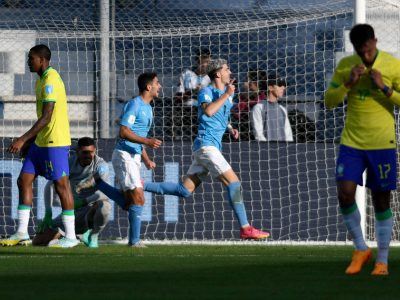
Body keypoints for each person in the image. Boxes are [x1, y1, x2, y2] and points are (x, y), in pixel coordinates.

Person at [78, 59, 270, 240]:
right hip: (206, 146)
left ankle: (142, 185)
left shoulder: (228, 95)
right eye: (227, 69)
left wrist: (230, 128)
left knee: (184, 190)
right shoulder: (206, 91)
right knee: (234, 183)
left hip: (209, 147)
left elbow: (220, 115)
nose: (230, 72)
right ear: (218, 73)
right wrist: (227, 94)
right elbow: (209, 111)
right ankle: (245, 228)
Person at [325, 24, 400, 276]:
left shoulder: (392, 65)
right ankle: (360, 248)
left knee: (381, 200)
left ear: (375, 42)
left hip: (381, 143)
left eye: (368, 50)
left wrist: (384, 87)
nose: (366, 56)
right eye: (361, 51)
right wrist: (347, 84)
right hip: (352, 143)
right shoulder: (347, 65)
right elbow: (328, 101)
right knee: (345, 193)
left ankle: (382, 260)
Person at [0, 44, 79, 248]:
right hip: (41, 141)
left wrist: (23, 139)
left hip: (55, 141)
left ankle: (71, 237)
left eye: (31, 58)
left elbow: (46, 117)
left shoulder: (51, 80)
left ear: (42, 60)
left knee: (62, 186)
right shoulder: (41, 80)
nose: (28, 62)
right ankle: (22, 233)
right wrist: (32, 141)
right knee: (23, 180)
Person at [83, 72, 162, 248]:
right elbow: (124, 132)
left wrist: (147, 160)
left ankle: (98, 184)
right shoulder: (134, 104)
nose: (159, 86)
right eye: (157, 83)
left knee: (130, 203)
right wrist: (148, 142)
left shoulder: (148, 108)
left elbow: (137, 136)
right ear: (148, 87)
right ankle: (134, 242)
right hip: (123, 156)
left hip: (133, 157)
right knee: (139, 198)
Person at [33, 137, 111, 248]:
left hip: (90, 209)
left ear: (95, 151)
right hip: (72, 211)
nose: (88, 155)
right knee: (38, 241)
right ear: (78, 151)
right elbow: (49, 186)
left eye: (91, 152)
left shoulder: (101, 166)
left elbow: (104, 193)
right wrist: (48, 212)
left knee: (105, 206)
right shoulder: (68, 163)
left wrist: (83, 202)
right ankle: (73, 236)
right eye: (85, 152)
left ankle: (93, 235)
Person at [250, 74, 293, 142]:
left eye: (284, 85)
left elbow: (288, 135)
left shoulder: (283, 109)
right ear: (270, 87)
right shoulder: (258, 108)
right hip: (267, 150)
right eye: (279, 85)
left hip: (283, 150)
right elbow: (258, 135)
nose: (283, 88)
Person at [232, 70, 267, 140]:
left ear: (256, 83)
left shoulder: (262, 101)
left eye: (248, 81)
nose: (245, 84)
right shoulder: (241, 97)